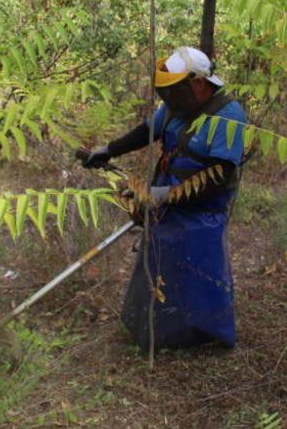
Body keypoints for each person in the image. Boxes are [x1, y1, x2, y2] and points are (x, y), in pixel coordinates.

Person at [82, 46, 248, 350]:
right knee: (158, 259)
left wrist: (163, 195)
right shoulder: (176, 106)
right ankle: (156, 330)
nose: (169, 99)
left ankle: (202, 336)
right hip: (166, 195)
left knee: (195, 269)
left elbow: (220, 176)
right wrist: (108, 150)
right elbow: (148, 130)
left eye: (175, 91)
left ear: (197, 83)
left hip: (203, 210)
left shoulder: (229, 116)